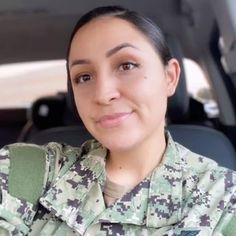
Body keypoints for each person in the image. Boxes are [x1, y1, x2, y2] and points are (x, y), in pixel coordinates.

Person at [0, 5, 236, 236]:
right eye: (84, 77)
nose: (102, 94)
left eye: (127, 65)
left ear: (170, 77)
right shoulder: (25, 171)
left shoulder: (224, 199)